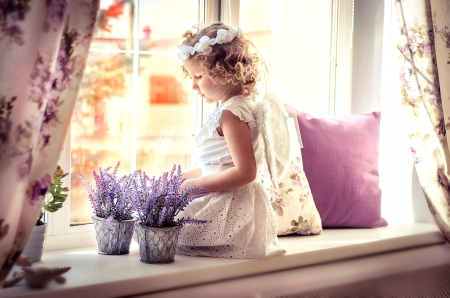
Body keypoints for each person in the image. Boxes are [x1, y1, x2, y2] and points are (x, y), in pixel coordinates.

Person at [175, 22, 286, 259]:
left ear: (222, 71)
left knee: (165, 232)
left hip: (227, 206)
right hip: (226, 197)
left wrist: (194, 187)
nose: (193, 86)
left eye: (198, 76)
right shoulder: (236, 108)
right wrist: (184, 177)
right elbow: (219, 165)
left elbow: (245, 172)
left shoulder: (231, 113)